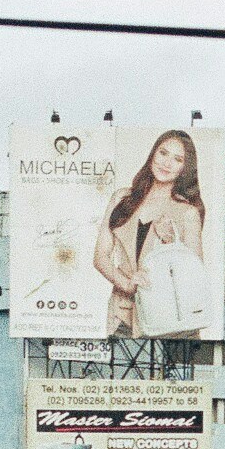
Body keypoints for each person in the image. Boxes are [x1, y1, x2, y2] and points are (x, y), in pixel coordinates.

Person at [91, 128, 209, 337]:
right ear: (153, 154)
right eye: (163, 153)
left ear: (185, 168)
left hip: (171, 323)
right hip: (123, 317)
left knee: (167, 371)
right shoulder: (122, 198)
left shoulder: (188, 212)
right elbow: (100, 257)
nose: (166, 163)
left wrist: (172, 242)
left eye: (177, 159)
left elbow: (193, 278)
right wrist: (126, 284)